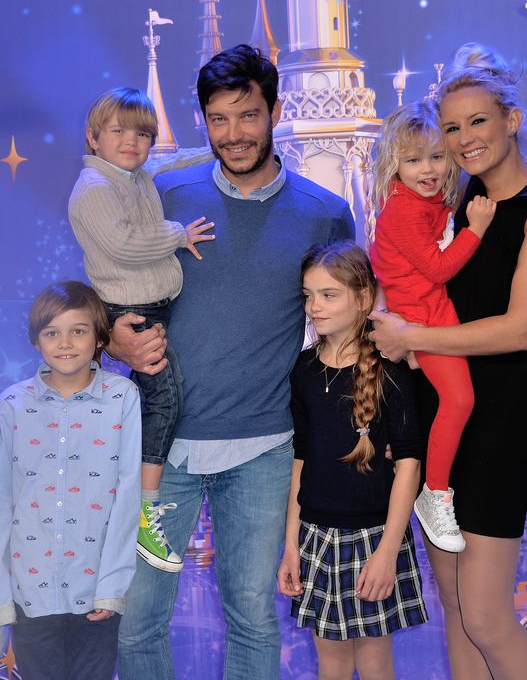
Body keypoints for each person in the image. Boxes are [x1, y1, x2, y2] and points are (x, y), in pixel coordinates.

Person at [108, 45, 355, 680]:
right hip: (160, 454)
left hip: (265, 450)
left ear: (273, 110)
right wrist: (114, 339)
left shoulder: (324, 211)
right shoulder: (165, 194)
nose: (233, 134)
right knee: (139, 620)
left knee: (250, 614)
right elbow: (108, 293)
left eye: (247, 116)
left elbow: (345, 323)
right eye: (218, 119)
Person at [369, 43, 527, 680]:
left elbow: (520, 331)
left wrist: (411, 337)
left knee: (487, 617)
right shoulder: (456, 209)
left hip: (499, 429)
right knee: (457, 611)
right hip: (440, 425)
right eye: (452, 128)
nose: (464, 139)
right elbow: (414, 285)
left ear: (512, 121)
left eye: (478, 122)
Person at [69, 88, 215, 573]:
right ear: (92, 138)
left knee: (142, 402)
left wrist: (213, 146)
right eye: (118, 132)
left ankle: (120, 495)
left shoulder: (131, 176)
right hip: (133, 311)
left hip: (151, 305)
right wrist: (180, 234)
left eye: (144, 134)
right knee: (165, 400)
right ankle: (141, 513)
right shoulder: (93, 189)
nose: (133, 142)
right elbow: (125, 244)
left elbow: (167, 165)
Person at [278, 242, 427, 680]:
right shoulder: (303, 368)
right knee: (332, 664)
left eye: (329, 294)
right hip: (314, 537)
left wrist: (387, 553)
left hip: (375, 536)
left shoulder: (390, 367)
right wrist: (291, 544)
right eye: (308, 295)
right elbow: (300, 459)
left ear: (364, 297)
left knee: (376, 663)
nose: (314, 307)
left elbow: (409, 465)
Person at [369, 100, 496, 553]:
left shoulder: (425, 202)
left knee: (453, 403)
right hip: (423, 318)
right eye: (413, 159)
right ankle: (435, 493)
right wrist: (476, 229)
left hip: (427, 312)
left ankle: (434, 489)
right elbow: (439, 268)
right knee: (460, 399)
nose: (428, 169)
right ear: (393, 164)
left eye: (437, 157)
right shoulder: (403, 211)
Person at [0, 281, 141, 680]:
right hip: (31, 593)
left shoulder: (122, 397)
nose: (65, 342)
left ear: (99, 337)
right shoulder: (12, 405)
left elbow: (128, 494)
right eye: (52, 332)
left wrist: (111, 587)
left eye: (78, 331)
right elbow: (2, 500)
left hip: (95, 591)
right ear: (36, 341)